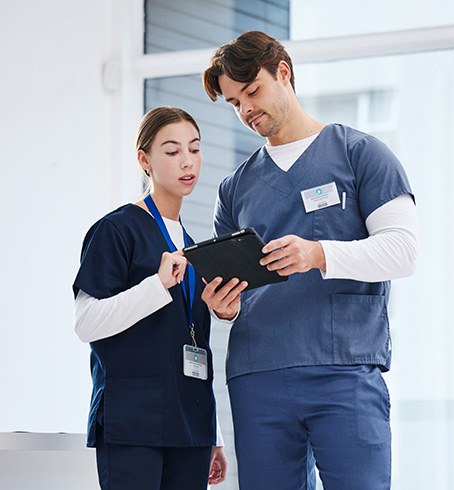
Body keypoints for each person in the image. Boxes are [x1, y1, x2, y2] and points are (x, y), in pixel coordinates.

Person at [201, 31, 419, 490]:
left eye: (252, 91)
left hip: (343, 370)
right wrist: (225, 306)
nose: (246, 110)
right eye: (235, 102)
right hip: (257, 376)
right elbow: (236, 288)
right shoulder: (234, 189)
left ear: (284, 73)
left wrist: (319, 254)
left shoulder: (360, 155)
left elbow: (403, 250)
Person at [72, 106, 234, 490]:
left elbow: (193, 343)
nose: (187, 161)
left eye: (194, 149)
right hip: (133, 424)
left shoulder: (193, 248)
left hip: (190, 425)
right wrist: (156, 286)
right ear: (144, 159)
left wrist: (213, 434)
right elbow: (86, 323)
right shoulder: (116, 230)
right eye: (172, 150)